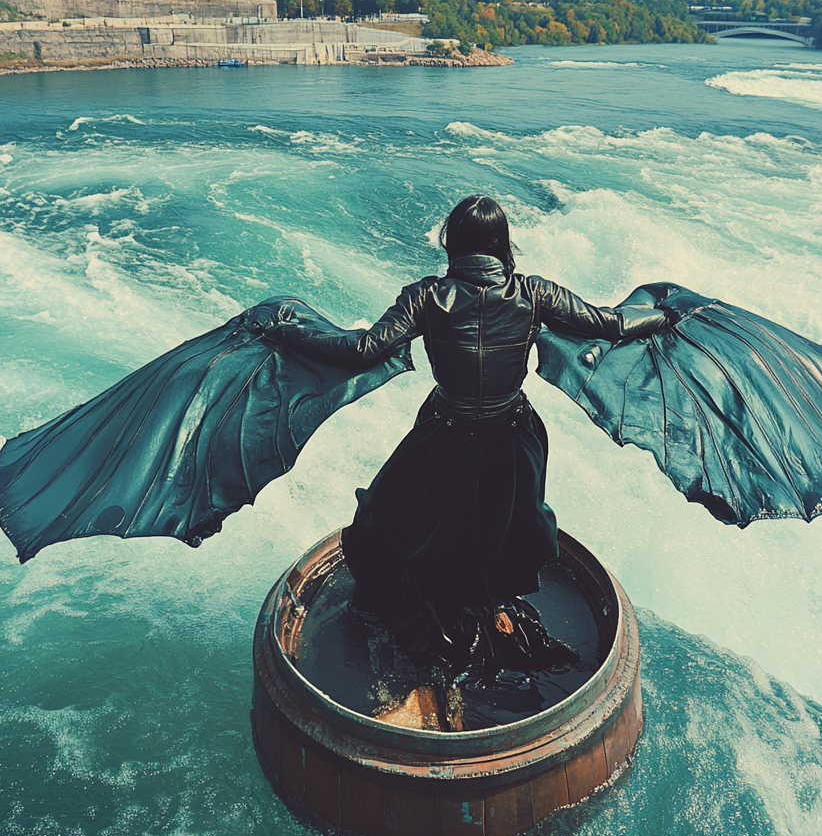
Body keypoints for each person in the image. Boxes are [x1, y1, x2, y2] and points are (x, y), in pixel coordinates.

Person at [276, 195, 672, 667]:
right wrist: (668, 314)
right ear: (501, 243)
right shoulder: (534, 292)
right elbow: (610, 323)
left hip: (444, 432)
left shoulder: (426, 295)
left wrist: (289, 330)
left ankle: (428, 605)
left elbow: (362, 348)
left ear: (454, 244)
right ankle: (490, 604)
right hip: (513, 434)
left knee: (383, 523)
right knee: (503, 527)